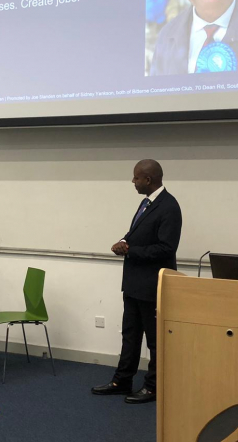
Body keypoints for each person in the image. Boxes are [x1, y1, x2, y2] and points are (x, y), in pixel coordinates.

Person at [92, 159, 182, 404]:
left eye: (136, 178)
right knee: (130, 335)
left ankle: (153, 387)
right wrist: (124, 241)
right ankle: (122, 381)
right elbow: (137, 235)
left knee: (154, 340)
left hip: (153, 286)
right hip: (134, 284)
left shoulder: (169, 206)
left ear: (148, 180)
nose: (133, 182)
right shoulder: (146, 203)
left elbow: (166, 248)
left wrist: (130, 251)